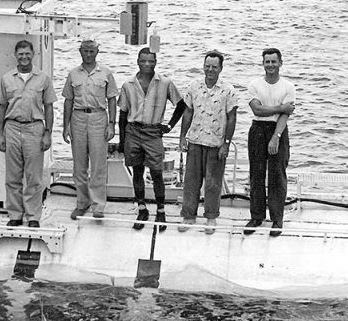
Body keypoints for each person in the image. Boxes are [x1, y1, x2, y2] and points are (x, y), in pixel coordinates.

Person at [118, 48, 185, 231]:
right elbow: (123, 114)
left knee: (157, 173)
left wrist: (169, 125)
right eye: (143, 61)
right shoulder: (128, 84)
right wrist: (123, 141)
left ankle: (161, 211)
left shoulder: (165, 83)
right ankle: (142, 208)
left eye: (151, 61)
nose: (147, 64)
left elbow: (181, 105)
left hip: (153, 132)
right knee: (137, 171)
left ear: (156, 62)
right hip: (133, 130)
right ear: (137, 61)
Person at [0, 40, 56, 228]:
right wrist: (0, 134)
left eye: (27, 53)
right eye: (20, 54)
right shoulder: (7, 78)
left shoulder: (43, 78)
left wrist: (48, 133)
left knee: (33, 177)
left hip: (34, 129)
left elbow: (49, 108)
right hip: (12, 128)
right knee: (13, 176)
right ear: (16, 55)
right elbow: (2, 107)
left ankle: (32, 216)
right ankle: (15, 214)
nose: (24, 57)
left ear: (33, 54)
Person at [178, 50, 238, 234]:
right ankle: (188, 215)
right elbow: (188, 112)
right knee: (191, 181)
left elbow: (232, 118)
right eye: (207, 66)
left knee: (213, 183)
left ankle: (211, 217)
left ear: (221, 68)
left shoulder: (228, 90)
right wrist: (182, 136)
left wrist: (226, 143)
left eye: (214, 67)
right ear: (203, 66)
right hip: (196, 140)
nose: (210, 70)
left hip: (216, 144)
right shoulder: (193, 86)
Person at [61, 37, 118, 220]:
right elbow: (68, 100)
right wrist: (66, 126)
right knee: (79, 165)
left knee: (98, 165)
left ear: (97, 52)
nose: (88, 54)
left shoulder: (106, 73)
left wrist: (111, 124)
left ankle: (98, 205)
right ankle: (82, 202)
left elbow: (112, 99)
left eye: (92, 51)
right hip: (77, 118)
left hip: (98, 118)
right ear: (80, 52)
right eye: (85, 51)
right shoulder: (73, 74)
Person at [244, 47, 296, 237]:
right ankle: (256, 216)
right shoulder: (254, 84)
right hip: (258, 130)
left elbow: (285, 115)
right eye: (267, 61)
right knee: (256, 174)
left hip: (278, 131)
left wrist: (276, 136)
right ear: (263, 63)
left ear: (280, 63)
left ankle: (277, 218)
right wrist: (281, 107)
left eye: (274, 61)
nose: (271, 65)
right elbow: (257, 110)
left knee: (277, 175)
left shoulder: (288, 87)